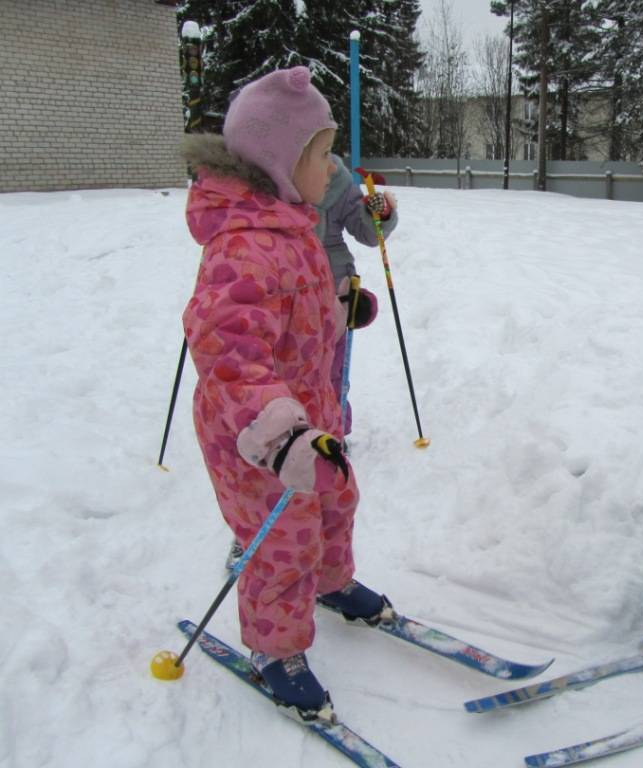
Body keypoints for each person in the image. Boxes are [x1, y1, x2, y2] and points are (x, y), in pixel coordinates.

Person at [181, 66, 392, 721]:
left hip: (311, 416)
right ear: (280, 163)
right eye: (322, 155)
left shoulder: (293, 227)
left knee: (336, 502)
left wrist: (340, 305)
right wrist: (282, 439)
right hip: (257, 437)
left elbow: (293, 311)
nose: (333, 170)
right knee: (281, 543)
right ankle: (275, 650)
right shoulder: (243, 249)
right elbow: (229, 356)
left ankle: (330, 583)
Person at [316, 160, 397, 435]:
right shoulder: (267, 175)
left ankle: (335, 432)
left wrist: (379, 214)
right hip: (281, 286)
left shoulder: (335, 179)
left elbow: (369, 234)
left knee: (332, 371)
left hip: (333, 289)